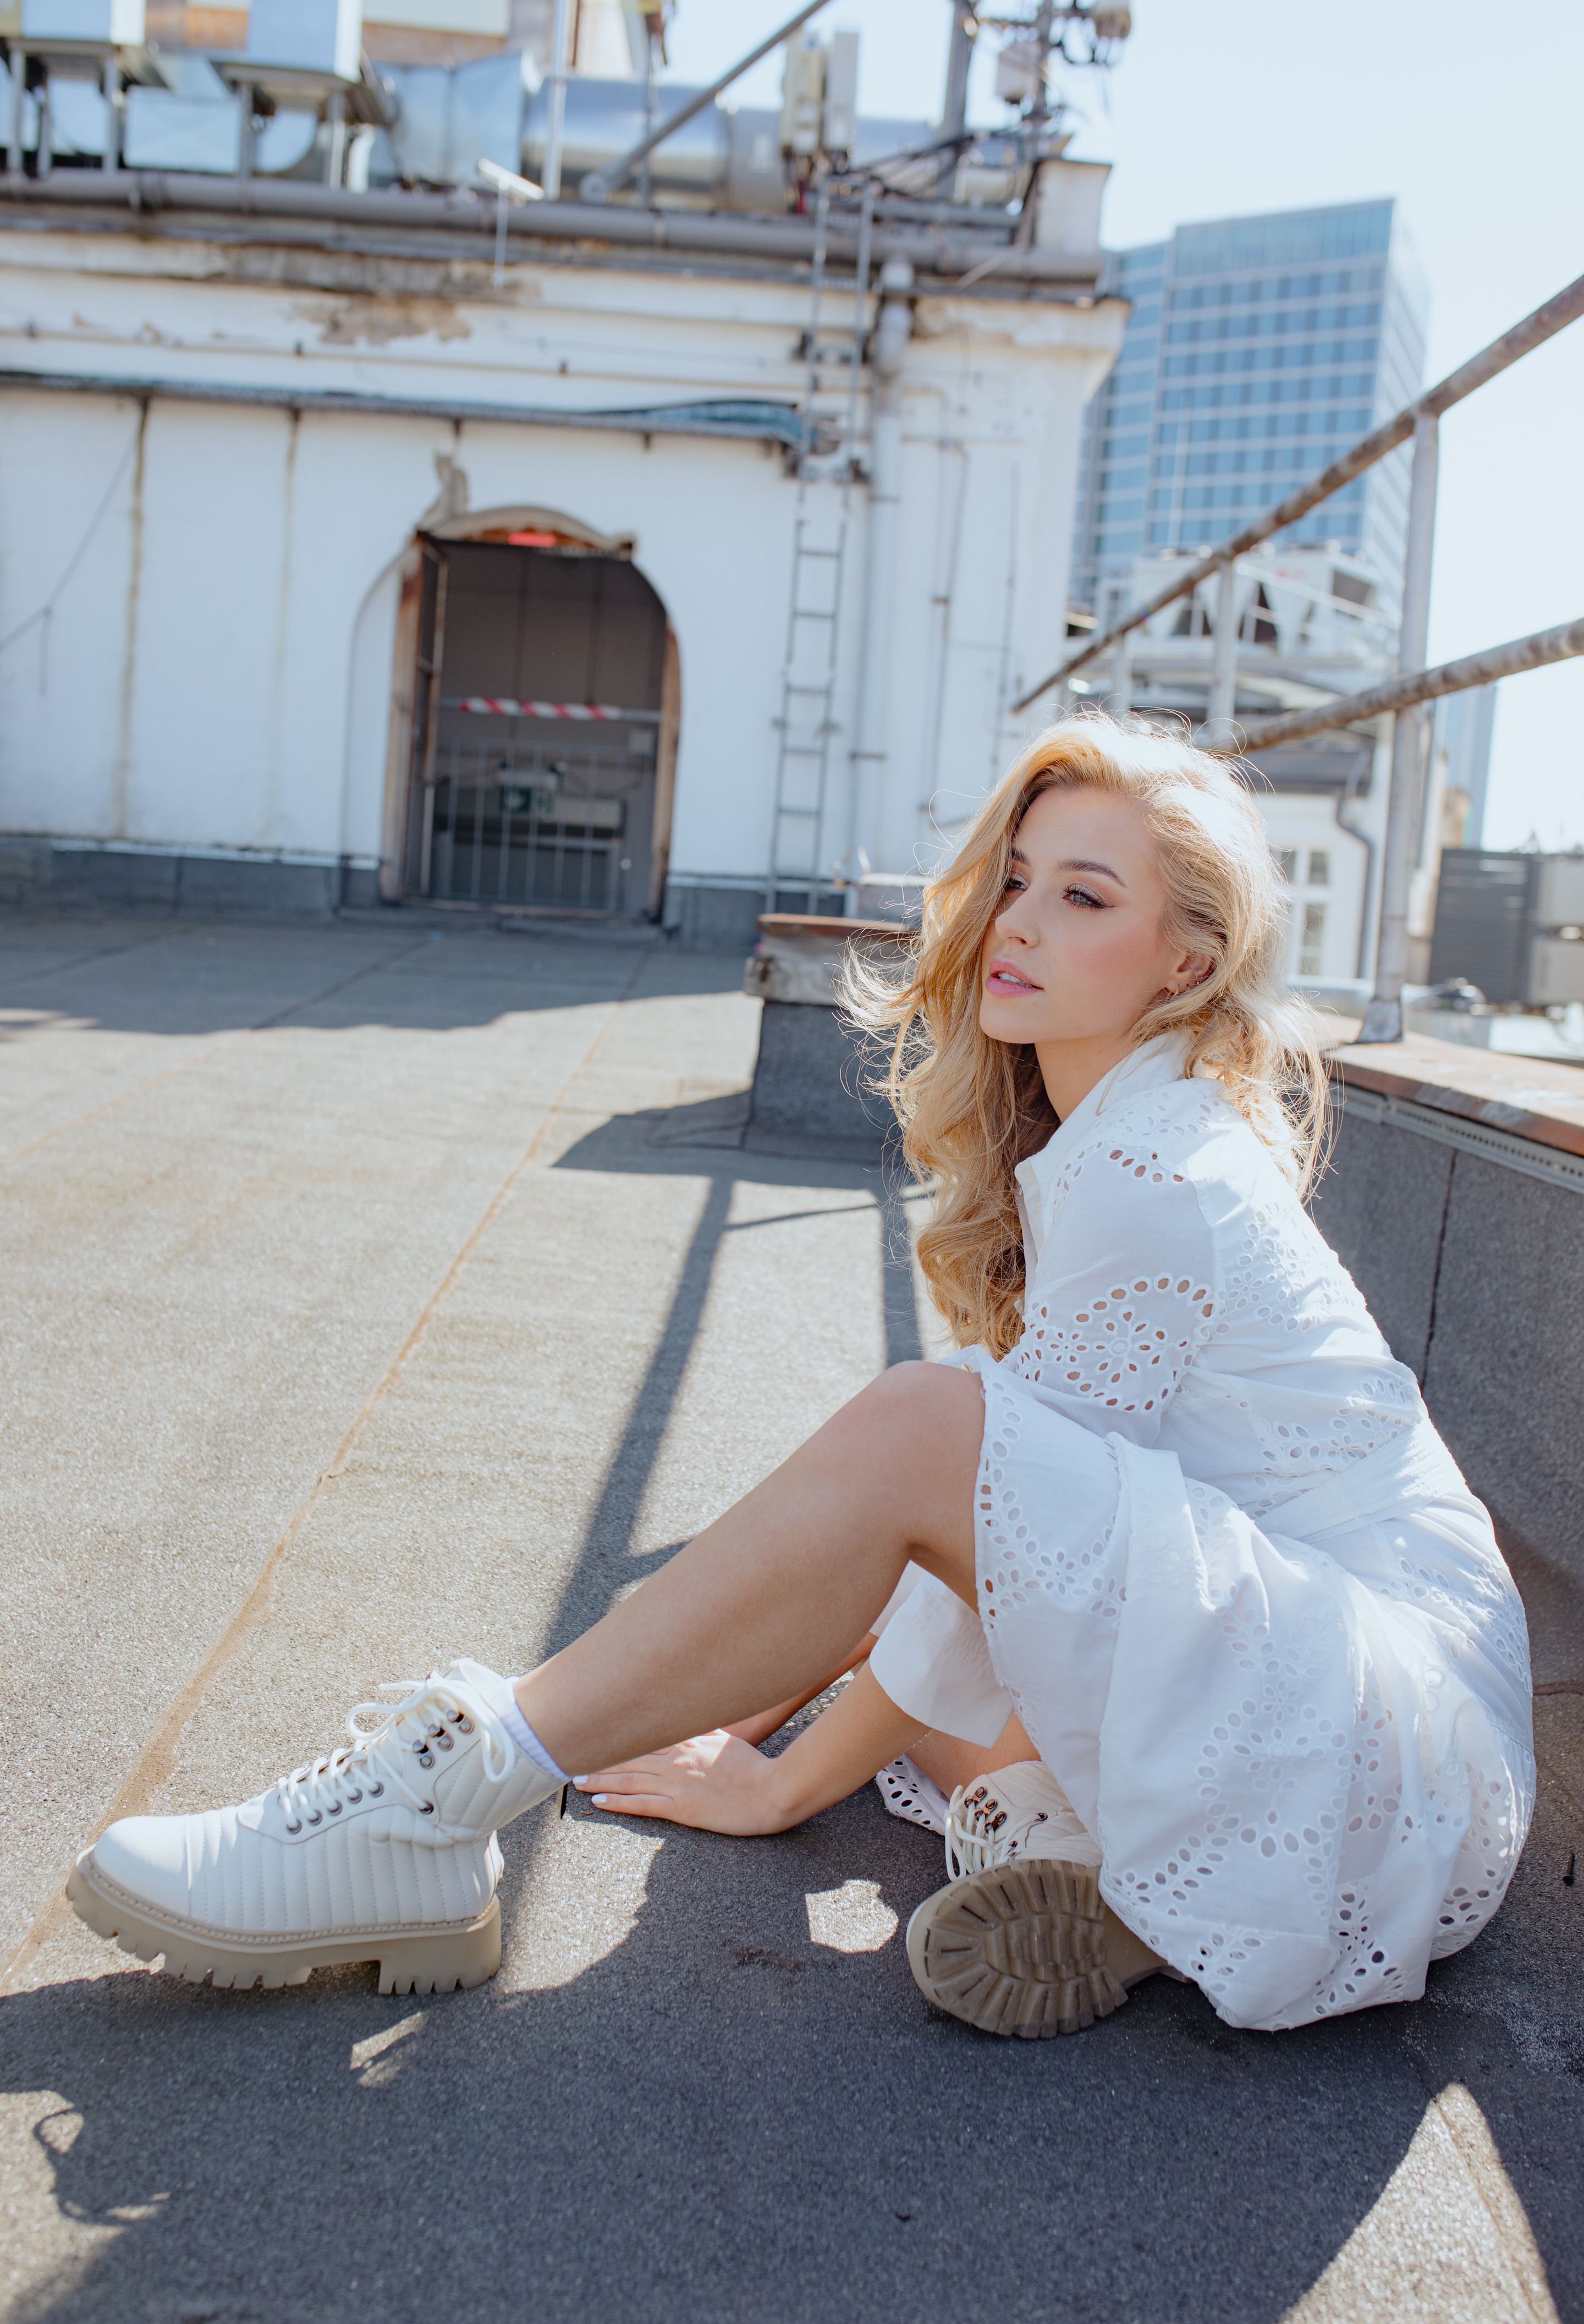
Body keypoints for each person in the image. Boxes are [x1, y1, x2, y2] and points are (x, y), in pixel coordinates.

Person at [67, 718, 1535, 2040]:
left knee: (926, 1426)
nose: (1017, 925)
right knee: (930, 1612)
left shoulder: (1157, 1172)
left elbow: (966, 1510)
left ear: (1186, 964)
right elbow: (994, 1541)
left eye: (1084, 898)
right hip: (1333, 1704)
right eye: (1017, 878)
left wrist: (776, 1779)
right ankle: (1133, 1887)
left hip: (1392, 1743)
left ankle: (441, 1801)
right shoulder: (1111, 1135)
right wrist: (778, 1696)